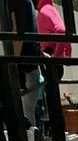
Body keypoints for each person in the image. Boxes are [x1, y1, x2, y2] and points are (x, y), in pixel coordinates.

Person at [9, 0, 43, 131]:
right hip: (31, 67)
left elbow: (17, 34)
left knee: (25, 117)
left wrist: (11, 65)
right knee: (28, 115)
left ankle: (30, 140)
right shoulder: (27, 3)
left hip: (23, 70)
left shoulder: (16, 3)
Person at [36, 0, 72, 82]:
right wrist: (67, 54)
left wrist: (56, 57)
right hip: (50, 61)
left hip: (51, 61)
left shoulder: (46, 9)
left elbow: (61, 31)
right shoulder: (46, 9)